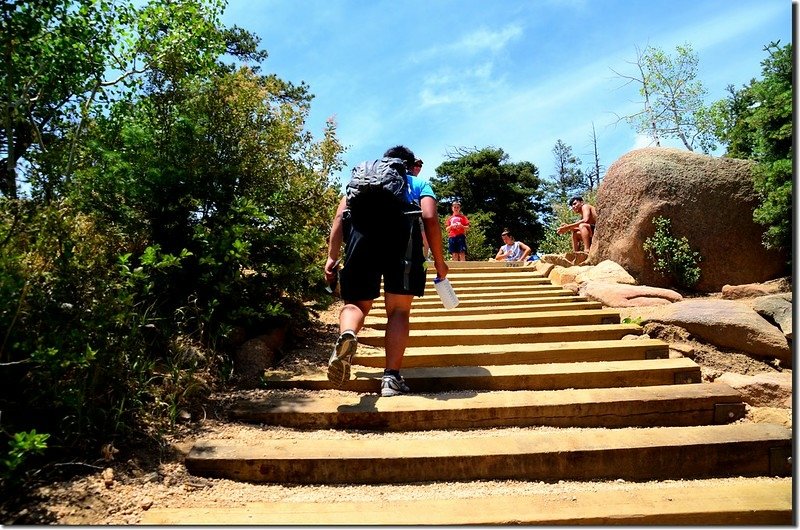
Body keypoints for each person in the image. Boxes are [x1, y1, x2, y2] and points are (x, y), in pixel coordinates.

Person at [324, 145, 448, 397]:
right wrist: (439, 260)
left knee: (355, 303)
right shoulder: (418, 183)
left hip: (361, 240)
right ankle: (391, 378)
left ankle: (348, 333)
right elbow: (430, 217)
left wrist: (331, 257)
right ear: (410, 165)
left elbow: (339, 219)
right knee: (399, 310)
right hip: (403, 244)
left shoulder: (362, 182)